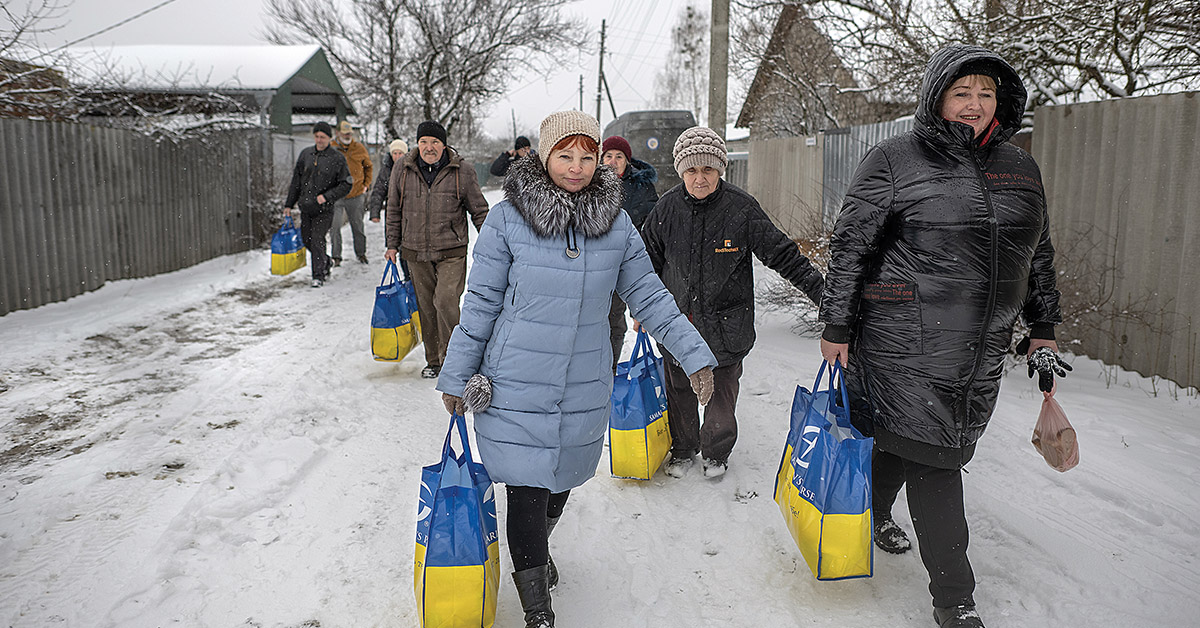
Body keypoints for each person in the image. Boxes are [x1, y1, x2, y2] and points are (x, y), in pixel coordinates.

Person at [818, 44, 1068, 628]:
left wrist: (1044, 327)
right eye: (962, 92)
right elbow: (851, 244)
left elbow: (1038, 254)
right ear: (937, 97)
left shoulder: (1020, 167)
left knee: (912, 441)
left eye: (986, 94)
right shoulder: (895, 158)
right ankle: (955, 600)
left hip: (982, 347)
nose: (975, 104)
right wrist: (837, 322)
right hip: (903, 338)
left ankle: (872, 512)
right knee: (936, 457)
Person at [436, 111, 717, 628]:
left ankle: (536, 552)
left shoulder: (616, 225)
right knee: (527, 488)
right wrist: (456, 375)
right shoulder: (507, 220)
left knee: (561, 482)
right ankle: (537, 609)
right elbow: (479, 304)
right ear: (545, 156)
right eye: (565, 155)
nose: (577, 166)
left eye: (587, 156)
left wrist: (694, 353)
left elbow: (650, 296)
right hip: (516, 378)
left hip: (584, 381)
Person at [640, 126, 824, 479]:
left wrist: (822, 294)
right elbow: (646, 266)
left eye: (707, 170)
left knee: (722, 393)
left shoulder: (741, 208)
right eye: (692, 171)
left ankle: (716, 451)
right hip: (680, 324)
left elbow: (783, 255)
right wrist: (645, 312)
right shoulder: (665, 209)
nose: (700, 179)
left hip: (728, 325)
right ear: (681, 171)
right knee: (679, 388)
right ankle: (683, 448)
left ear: (720, 169)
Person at [385, 120, 489, 378]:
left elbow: (479, 210)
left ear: (444, 145)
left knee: (445, 301)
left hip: (451, 250)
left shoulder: (461, 170)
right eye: (424, 142)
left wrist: (491, 243)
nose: (429, 148)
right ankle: (434, 361)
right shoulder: (403, 168)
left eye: (435, 142)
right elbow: (394, 208)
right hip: (415, 250)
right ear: (417, 144)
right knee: (427, 309)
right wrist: (391, 244)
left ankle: (456, 356)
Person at [601, 135, 659, 371]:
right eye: (608, 156)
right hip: (596, 263)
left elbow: (652, 227)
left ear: (628, 160)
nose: (613, 161)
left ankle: (609, 371)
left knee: (616, 322)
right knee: (595, 322)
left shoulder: (642, 187)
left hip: (627, 263)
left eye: (619, 157)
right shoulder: (590, 184)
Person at [283, 121, 352, 288]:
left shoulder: (337, 158)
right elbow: (296, 182)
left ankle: (318, 275)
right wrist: (289, 204)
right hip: (306, 207)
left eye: (323, 137)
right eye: (317, 136)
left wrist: (327, 196)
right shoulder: (306, 154)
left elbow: (346, 184)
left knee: (317, 239)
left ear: (329, 138)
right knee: (307, 239)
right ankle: (326, 261)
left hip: (325, 209)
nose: (319, 140)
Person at [330, 120, 374, 265]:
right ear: (338, 133)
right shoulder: (331, 148)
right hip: (336, 195)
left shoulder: (359, 148)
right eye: (344, 133)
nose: (347, 136)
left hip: (356, 194)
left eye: (349, 133)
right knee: (334, 227)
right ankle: (336, 257)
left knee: (358, 227)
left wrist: (366, 185)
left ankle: (361, 254)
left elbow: (368, 167)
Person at [366, 139, 407, 225]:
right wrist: (375, 212)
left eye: (400, 153)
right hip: (391, 209)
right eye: (395, 153)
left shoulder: (411, 169)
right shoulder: (386, 170)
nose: (397, 156)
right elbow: (379, 190)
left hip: (409, 209)